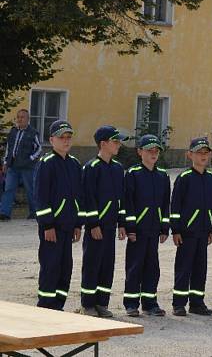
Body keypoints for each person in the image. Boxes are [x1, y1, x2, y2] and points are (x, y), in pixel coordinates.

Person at [79, 126, 126, 317]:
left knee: (107, 265)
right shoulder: (91, 168)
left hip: (111, 226)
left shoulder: (117, 168)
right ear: (103, 144)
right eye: (115, 141)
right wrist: (93, 224)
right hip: (96, 227)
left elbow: (120, 198)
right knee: (92, 264)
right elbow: (87, 197)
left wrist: (122, 223)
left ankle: (102, 303)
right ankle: (88, 304)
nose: (119, 145)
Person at [34, 120, 82, 310]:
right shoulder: (46, 164)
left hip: (69, 226)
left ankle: (58, 305)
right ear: (51, 140)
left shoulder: (74, 164)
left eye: (68, 137)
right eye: (62, 137)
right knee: (50, 266)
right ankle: (46, 305)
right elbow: (40, 197)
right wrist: (47, 225)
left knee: (65, 268)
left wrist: (78, 224)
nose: (66, 141)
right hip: (52, 228)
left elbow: (79, 196)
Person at [122, 134, 171, 317]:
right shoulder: (133, 174)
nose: (153, 153)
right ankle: (131, 303)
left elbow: (166, 204)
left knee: (152, 267)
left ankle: (150, 303)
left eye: (156, 150)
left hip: (154, 230)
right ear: (139, 152)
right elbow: (128, 203)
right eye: (149, 150)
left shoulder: (163, 175)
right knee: (135, 266)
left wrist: (164, 228)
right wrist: (131, 228)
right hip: (138, 230)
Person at [170, 137, 212, 316]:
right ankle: (179, 303)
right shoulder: (184, 178)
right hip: (187, 233)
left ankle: (197, 303)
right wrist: (175, 230)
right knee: (184, 268)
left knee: (200, 269)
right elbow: (175, 207)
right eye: (199, 153)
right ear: (190, 155)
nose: (203, 156)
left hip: (203, 232)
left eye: (206, 153)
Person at [1, 109, 42, 220]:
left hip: (27, 167)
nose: (19, 119)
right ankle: (4, 213)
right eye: (18, 117)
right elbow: (9, 148)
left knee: (31, 190)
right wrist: (5, 162)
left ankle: (34, 212)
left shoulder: (33, 132)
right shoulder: (13, 132)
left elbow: (39, 148)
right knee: (8, 189)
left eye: (22, 117)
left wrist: (30, 159)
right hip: (12, 166)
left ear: (28, 119)